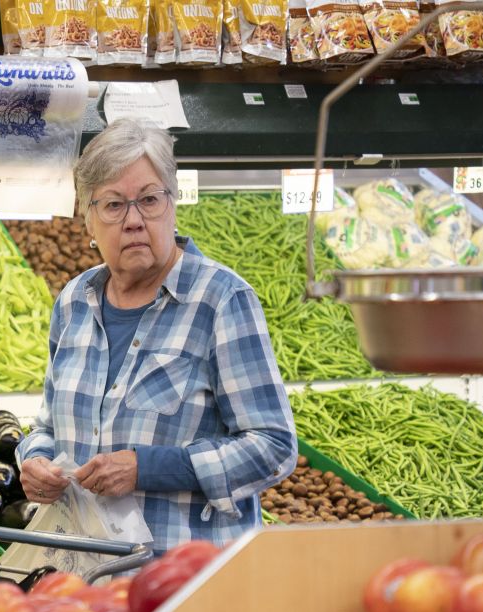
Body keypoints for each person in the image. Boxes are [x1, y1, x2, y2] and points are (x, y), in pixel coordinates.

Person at [16, 118, 297, 551]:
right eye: (113, 205)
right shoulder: (74, 301)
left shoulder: (221, 300)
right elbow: (48, 426)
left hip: (184, 573)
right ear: (88, 220)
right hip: (83, 570)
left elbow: (274, 447)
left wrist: (147, 468)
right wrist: (35, 458)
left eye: (149, 200)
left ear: (173, 203)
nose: (133, 220)